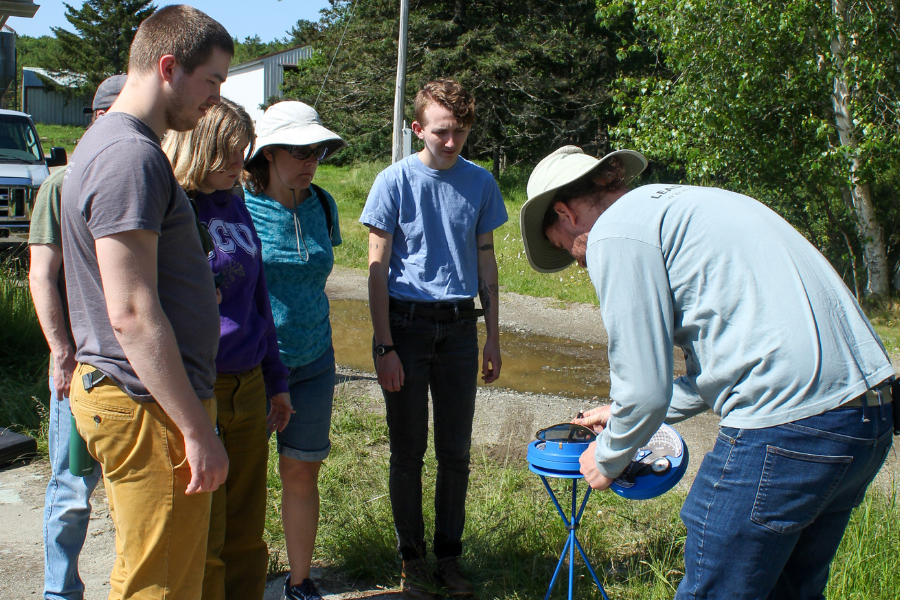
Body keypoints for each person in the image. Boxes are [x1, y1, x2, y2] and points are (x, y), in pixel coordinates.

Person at [519, 145, 895, 600]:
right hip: (866, 417)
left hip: (787, 426)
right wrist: (618, 412)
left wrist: (609, 454)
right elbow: (725, 366)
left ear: (565, 212)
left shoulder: (613, 233)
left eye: (566, 248)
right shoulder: (693, 203)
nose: (580, 263)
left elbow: (644, 390)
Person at [60, 6, 233, 599]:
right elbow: (130, 313)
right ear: (168, 67)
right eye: (212, 81)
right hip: (148, 404)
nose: (215, 99)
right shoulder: (129, 156)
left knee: (158, 574)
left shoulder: (113, 145)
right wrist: (197, 430)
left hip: (144, 398)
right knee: (159, 587)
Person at [359, 79, 507, 599]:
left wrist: (493, 335)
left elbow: (486, 257)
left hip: (460, 328)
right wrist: (384, 346)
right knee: (408, 451)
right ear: (418, 128)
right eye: (443, 132)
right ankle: (411, 561)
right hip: (405, 324)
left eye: (461, 132)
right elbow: (375, 269)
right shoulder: (393, 181)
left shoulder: (481, 182)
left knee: (455, 451)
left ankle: (449, 557)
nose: (452, 142)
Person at [162, 97, 295, 600]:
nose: (242, 165)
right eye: (230, 153)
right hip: (200, 385)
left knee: (246, 533)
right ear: (200, 147)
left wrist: (276, 380)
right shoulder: (175, 204)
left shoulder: (234, 199)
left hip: (250, 385)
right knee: (208, 536)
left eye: (244, 152)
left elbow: (257, 293)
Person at [242, 100, 346, 600]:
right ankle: (234, 579)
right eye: (299, 150)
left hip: (315, 360)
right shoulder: (239, 205)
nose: (310, 161)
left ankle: (300, 583)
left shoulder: (323, 204)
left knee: (302, 471)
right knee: (242, 479)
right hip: (256, 365)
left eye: (318, 151)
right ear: (265, 153)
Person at [29, 73, 124, 600]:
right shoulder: (59, 184)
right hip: (80, 367)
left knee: (131, 491)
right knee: (71, 488)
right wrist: (61, 353)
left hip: (132, 368)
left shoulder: (147, 173)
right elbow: (42, 274)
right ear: (97, 118)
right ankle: (58, 591)